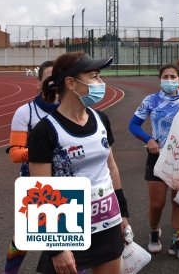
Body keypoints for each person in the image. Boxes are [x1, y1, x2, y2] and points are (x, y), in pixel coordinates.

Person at [28, 52, 130, 273]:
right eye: (94, 76)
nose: (101, 83)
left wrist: (123, 212)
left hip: (108, 222)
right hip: (68, 228)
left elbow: (111, 166)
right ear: (71, 83)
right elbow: (40, 191)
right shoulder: (44, 131)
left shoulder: (101, 119)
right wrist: (56, 248)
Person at [128, 63, 179, 259]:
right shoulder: (151, 100)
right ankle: (154, 231)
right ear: (160, 79)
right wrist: (148, 139)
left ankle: (176, 242)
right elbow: (133, 125)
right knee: (157, 204)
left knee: (178, 202)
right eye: (165, 77)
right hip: (157, 156)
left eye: (172, 76)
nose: (169, 80)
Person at [5, 61, 57, 274]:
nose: (54, 84)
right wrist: (43, 151)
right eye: (48, 79)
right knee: (24, 237)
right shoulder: (25, 112)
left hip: (69, 183)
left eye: (59, 79)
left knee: (71, 236)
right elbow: (16, 154)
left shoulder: (75, 111)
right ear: (38, 83)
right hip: (34, 182)